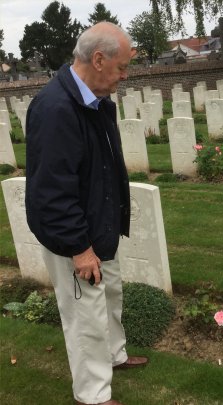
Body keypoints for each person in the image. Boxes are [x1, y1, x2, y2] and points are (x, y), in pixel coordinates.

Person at [25, 22, 147, 405]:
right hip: (74, 235)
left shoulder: (96, 104)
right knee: (85, 313)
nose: (124, 76)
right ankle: (92, 394)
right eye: (122, 67)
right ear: (98, 59)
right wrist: (79, 248)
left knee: (110, 296)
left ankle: (113, 355)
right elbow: (52, 191)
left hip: (100, 223)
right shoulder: (56, 108)